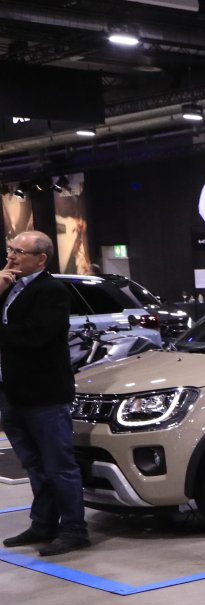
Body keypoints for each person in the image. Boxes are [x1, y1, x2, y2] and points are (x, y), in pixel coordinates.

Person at [0, 231, 90, 555]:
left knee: (59, 466)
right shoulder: (10, 287)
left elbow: (33, 336)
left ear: (40, 259)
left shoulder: (51, 291)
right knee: (34, 466)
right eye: (10, 249)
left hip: (45, 396)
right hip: (12, 394)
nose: (11, 256)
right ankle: (43, 524)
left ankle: (75, 530)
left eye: (19, 252)